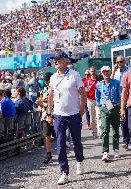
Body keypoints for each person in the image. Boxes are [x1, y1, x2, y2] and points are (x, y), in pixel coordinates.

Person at [47, 51, 86, 185]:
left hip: (74, 114)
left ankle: (79, 160)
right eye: (54, 59)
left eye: (57, 59)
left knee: (77, 142)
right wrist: (49, 113)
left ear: (65, 60)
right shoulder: (53, 77)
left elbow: (83, 93)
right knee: (60, 143)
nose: (55, 61)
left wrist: (81, 109)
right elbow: (50, 96)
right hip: (59, 115)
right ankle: (64, 172)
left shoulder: (75, 75)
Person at [96, 66, 121, 162]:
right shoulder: (99, 85)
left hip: (115, 108)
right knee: (105, 129)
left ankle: (116, 150)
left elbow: (120, 94)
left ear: (110, 72)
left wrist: (117, 104)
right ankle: (105, 152)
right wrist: (101, 106)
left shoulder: (116, 83)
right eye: (104, 72)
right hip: (104, 108)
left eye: (107, 71)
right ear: (102, 73)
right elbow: (97, 97)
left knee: (115, 130)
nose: (105, 73)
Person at [36, 72, 56, 164]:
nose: (46, 82)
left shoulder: (56, 88)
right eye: (45, 80)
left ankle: (61, 152)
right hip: (45, 115)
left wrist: (44, 101)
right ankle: (48, 154)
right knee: (46, 135)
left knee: (58, 135)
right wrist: (41, 103)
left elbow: (53, 101)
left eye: (47, 80)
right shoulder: (44, 89)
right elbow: (40, 101)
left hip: (56, 114)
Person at [112, 55, 130, 149]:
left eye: (121, 61)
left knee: (130, 120)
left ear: (125, 61)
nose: (119, 64)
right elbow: (110, 82)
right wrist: (114, 71)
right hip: (119, 99)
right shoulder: (116, 72)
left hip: (129, 98)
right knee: (123, 120)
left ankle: (130, 140)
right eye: (118, 62)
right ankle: (126, 141)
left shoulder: (129, 70)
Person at [83, 66, 101, 138]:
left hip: (98, 101)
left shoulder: (99, 80)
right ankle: (94, 131)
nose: (93, 72)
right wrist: (86, 90)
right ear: (89, 72)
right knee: (92, 117)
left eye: (94, 71)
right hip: (90, 100)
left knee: (99, 116)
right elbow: (84, 91)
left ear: (95, 71)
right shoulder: (86, 81)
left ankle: (100, 132)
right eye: (91, 71)